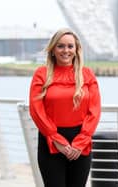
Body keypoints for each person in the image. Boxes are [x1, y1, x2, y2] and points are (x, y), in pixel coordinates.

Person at [29, 28, 101, 187]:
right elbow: (36, 110)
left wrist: (80, 142)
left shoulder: (87, 74)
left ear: (76, 50)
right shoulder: (41, 74)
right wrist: (56, 139)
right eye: (60, 46)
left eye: (70, 46)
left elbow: (94, 111)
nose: (65, 50)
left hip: (80, 141)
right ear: (53, 50)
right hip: (50, 140)